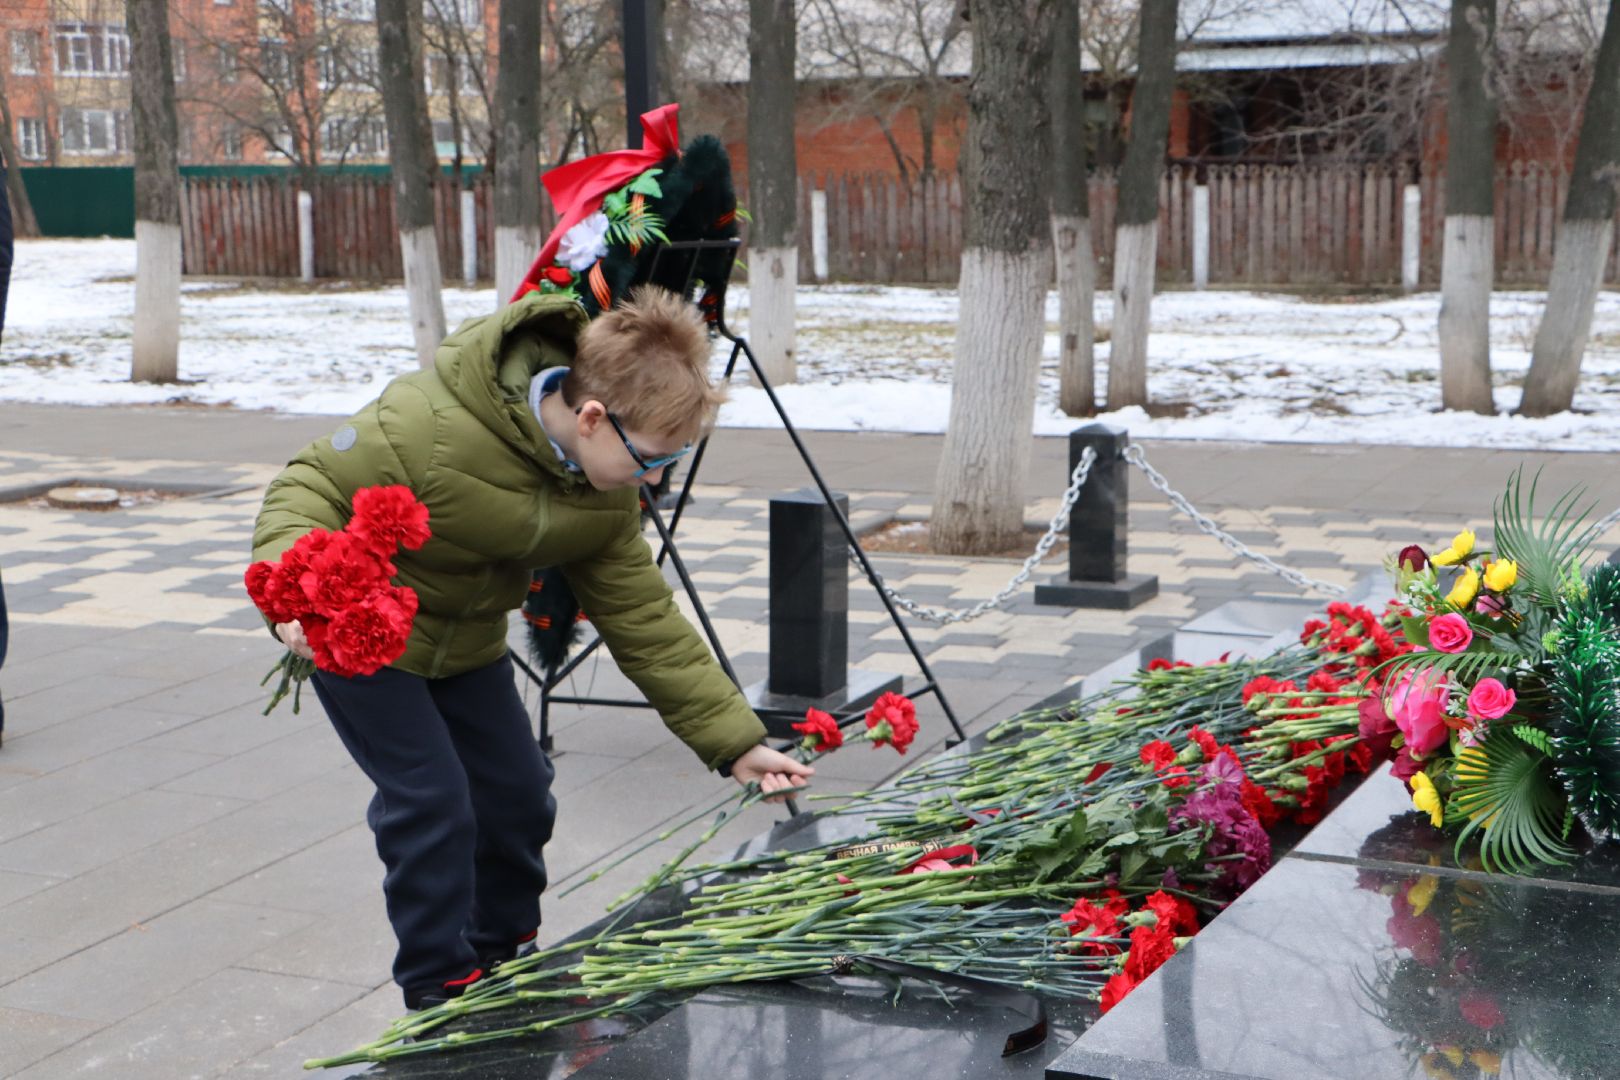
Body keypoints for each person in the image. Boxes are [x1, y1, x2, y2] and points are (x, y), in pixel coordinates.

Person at [251, 285, 812, 1010]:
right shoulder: (431, 424)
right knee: (432, 800)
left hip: (468, 643)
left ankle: (505, 953)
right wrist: (294, 592)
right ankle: (437, 984)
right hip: (364, 637)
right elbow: (307, 485)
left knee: (518, 792)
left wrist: (736, 741)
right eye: (650, 460)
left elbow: (644, 619)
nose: (658, 479)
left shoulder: (603, 496)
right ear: (591, 418)